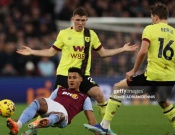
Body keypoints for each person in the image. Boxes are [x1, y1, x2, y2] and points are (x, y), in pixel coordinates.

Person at [16, 7, 138, 135]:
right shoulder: (64, 34)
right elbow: (51, 52)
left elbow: (103, 53)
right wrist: (32, 52)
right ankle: (33, 129)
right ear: (73, 19)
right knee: (53, 105)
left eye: (83, 20)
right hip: (64, 74)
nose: (80, 23)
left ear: (86, 20)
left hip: (83, 75)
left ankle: (105, 127)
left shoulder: (90, 35)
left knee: (99, 95)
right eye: (78, 20)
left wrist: (122, 49)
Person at [84, 2, 175, 135]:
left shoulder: (150, 29)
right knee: (162, 101)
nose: (152, 20)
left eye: (152, 17)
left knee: (118, 87)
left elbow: (142, 52)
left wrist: (133, 71)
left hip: (152, 77)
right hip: (170, 79)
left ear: (156, 17)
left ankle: (104, 126)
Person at [6, 67, 98, 135]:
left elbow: (91, 120)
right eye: (69, 78)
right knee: (39, 102)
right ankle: (17, 125)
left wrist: (100, 133)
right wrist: (24, 119)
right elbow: (45, 107)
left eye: (74, 77)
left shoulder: (84, 97)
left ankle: (47, 121)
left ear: (80, 79)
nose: (71, 80)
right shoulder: (59, 90)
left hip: (64, 116)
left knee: (59, 114)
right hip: (53, 108)